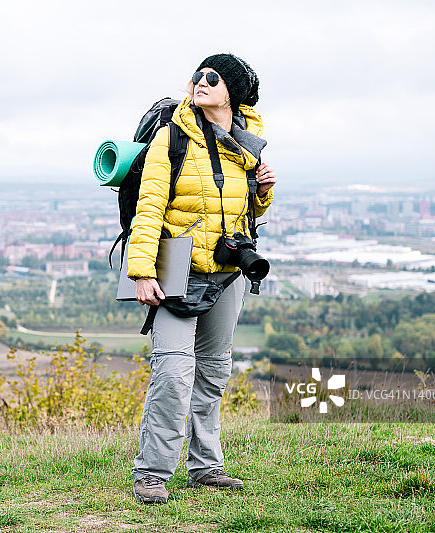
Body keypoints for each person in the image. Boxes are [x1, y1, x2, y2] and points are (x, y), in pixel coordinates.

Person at [127, 53, 277, 504]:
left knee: (213, 372)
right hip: (175, 272)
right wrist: (140, 273)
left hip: (227, 274)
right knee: (172, 372)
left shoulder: (248, 145)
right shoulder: (172, 138)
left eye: (214, 77)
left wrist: (263, 192)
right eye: (199, 75)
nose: (202, 81)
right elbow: (149, 208)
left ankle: (206, 467)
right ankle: (152, 474)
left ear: (233, 91)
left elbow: (247, 213)